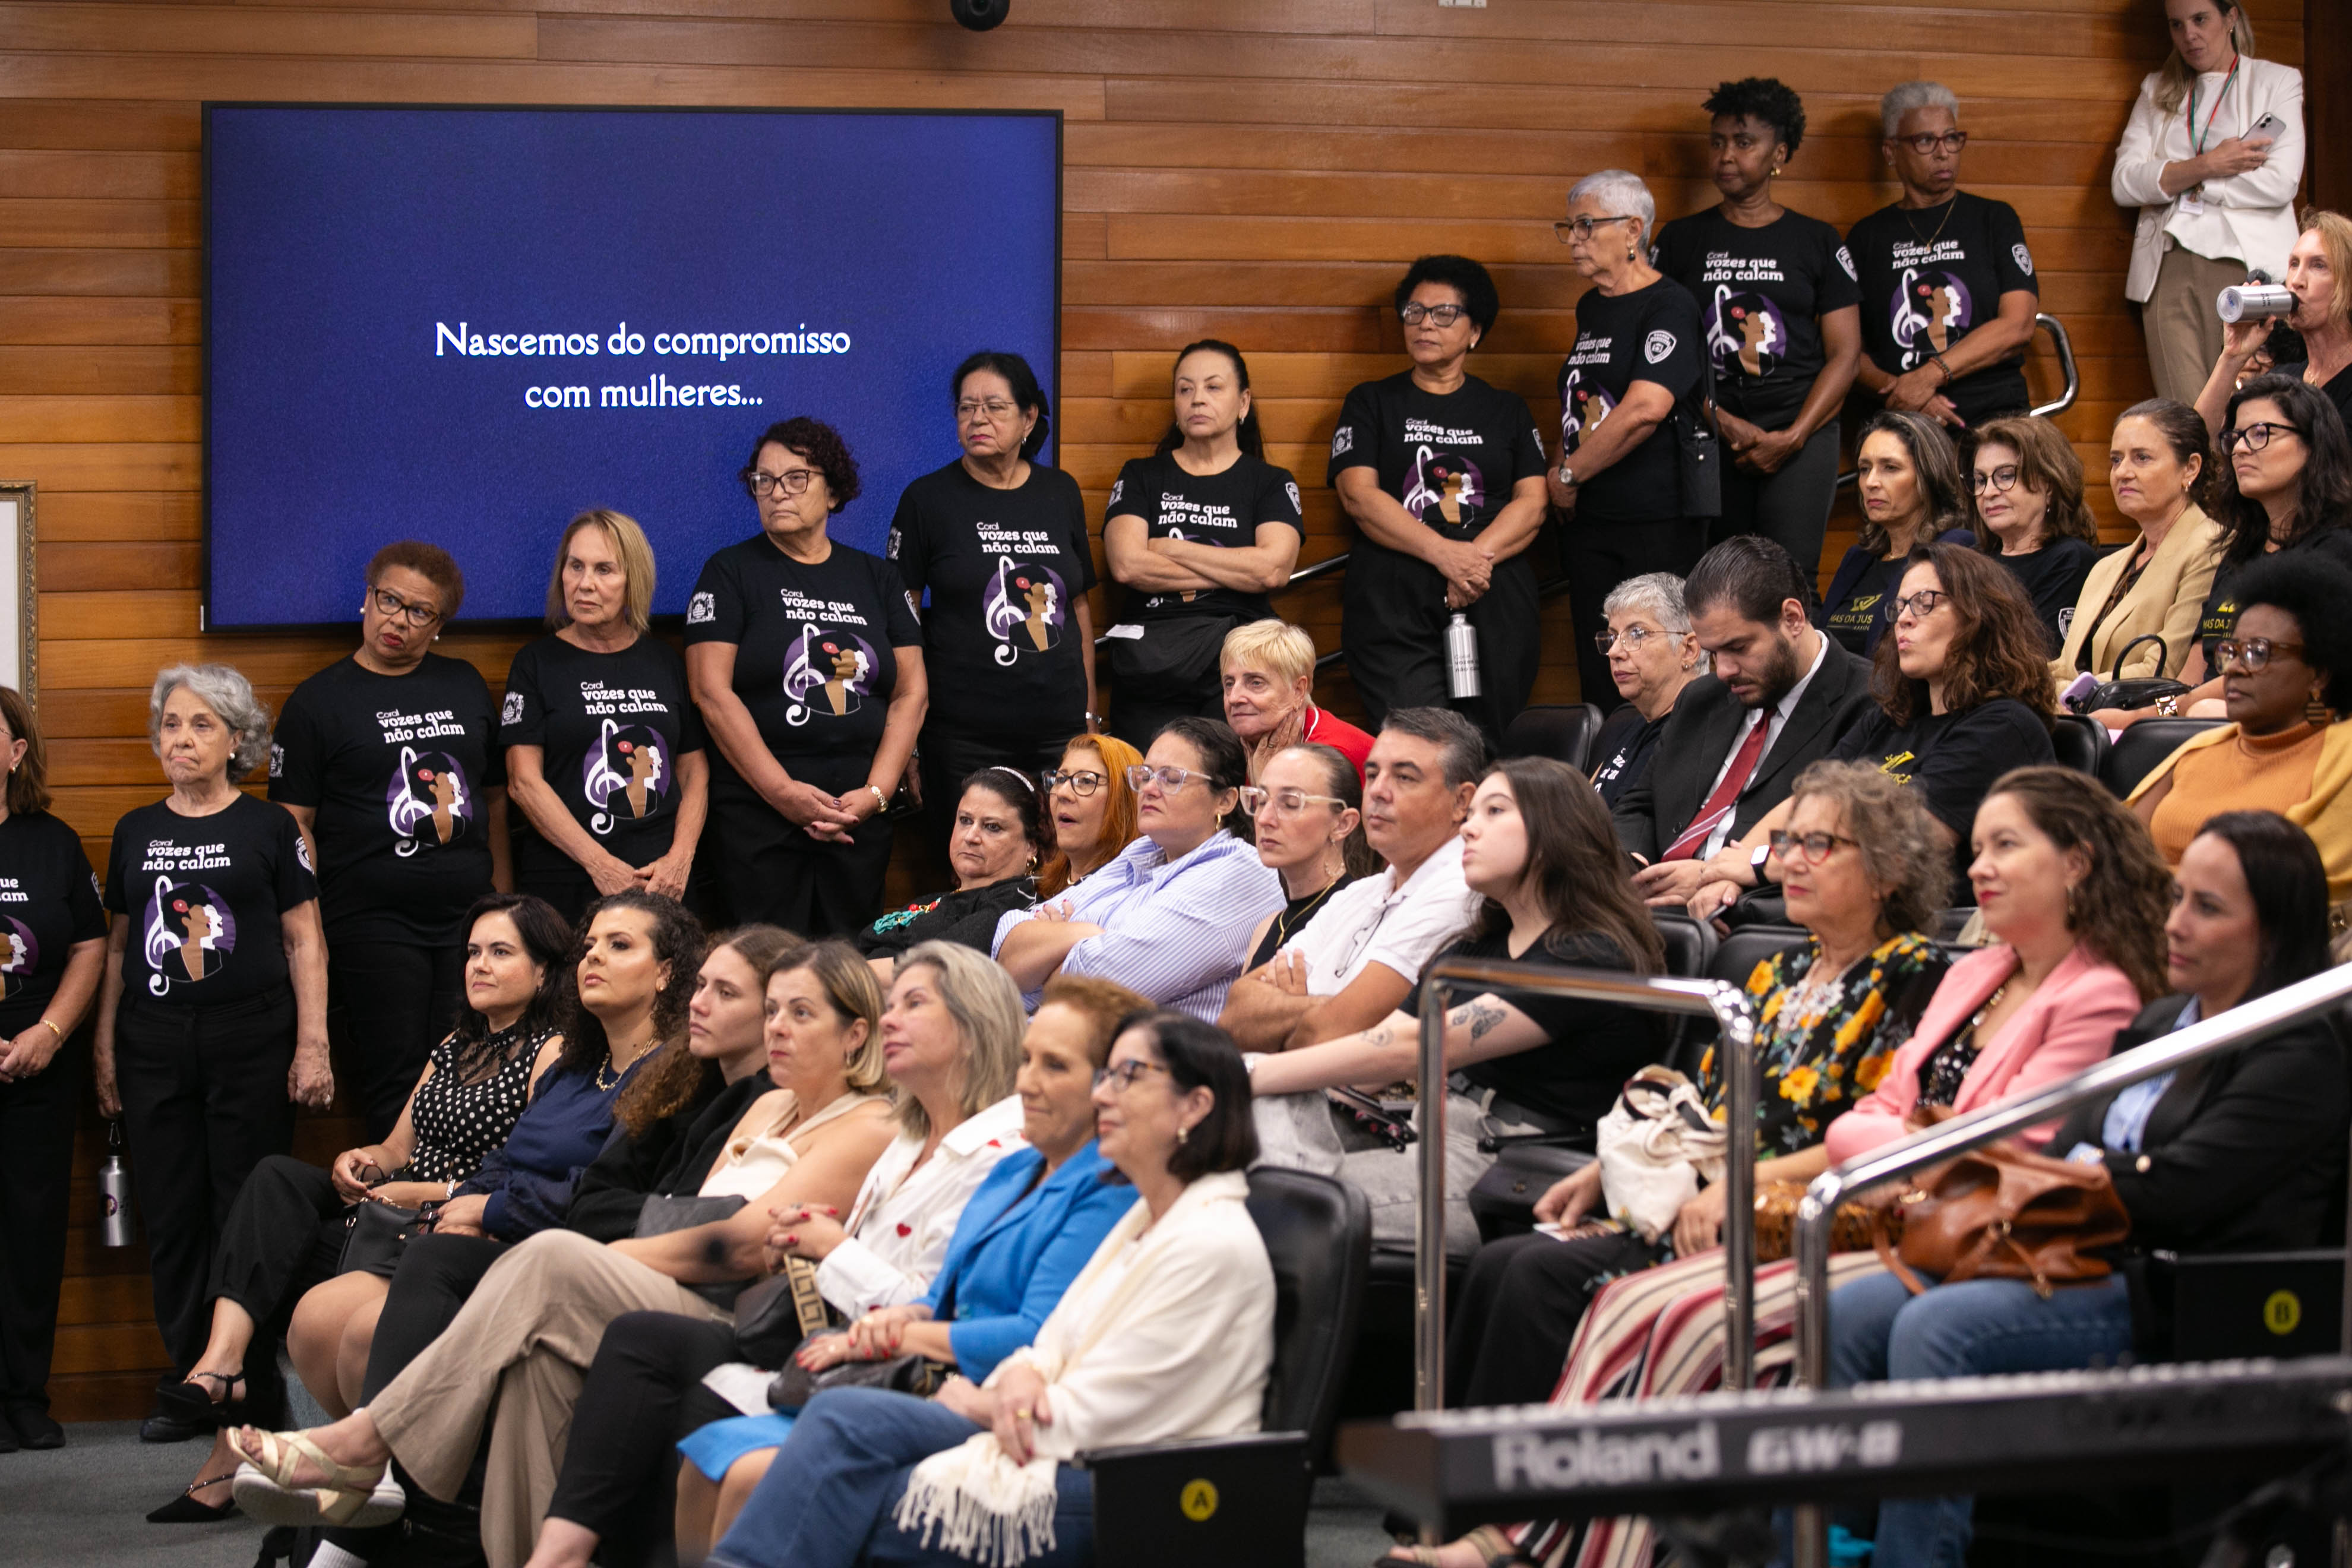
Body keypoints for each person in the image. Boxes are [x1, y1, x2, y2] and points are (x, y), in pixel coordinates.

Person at [1411, 766, 2174, 1568]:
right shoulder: (1962, 973)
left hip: (1896, 1226)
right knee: (1528, 1270)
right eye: (1788, 842)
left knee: (1636, 1306)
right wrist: (1628, 1169)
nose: (1980, 866)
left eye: (1819, 844)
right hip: (1821, 1201)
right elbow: (1864, 1120)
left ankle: (1559, 1546)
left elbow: (1993, 1147)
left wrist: (1853, 1151)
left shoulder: (2039, 986)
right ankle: (1487, 1525)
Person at [232, 938, 906, 1561]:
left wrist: (604, 1259)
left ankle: (367, 1443)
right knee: (537, 1364)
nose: (778, 1027)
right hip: (676, 1285)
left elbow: (738, 1244)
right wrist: (628, 1242)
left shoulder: (869, 1121)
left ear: (856, 1034)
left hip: (742, 1319)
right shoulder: (766, 1107)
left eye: (799, 1013)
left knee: (550, 1256)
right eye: (775, 1010)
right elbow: (681, 1215)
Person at [1826, 810, 2345, 1567]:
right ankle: (1826, 1550)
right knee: (1849, 1313)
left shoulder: (2301, 1049)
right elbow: (2077, 1149)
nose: (2175, 924)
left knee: (1938, 1330)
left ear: (2271, 932)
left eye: (2208, 908)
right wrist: (2095, 1171)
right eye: (2177, 897)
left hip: (2179, 1295)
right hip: (2072, 1253)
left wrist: (2088, 1173)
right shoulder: (2164, 1020)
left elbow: (2184, 1191)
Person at [1438, 761, 1950, 1417]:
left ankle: (1523, 1480)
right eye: (1786, 842)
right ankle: (1444, 1479)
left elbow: (1881, 1133)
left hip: (1788, 1215)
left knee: (1538, 1277)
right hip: (1694, 1196)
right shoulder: (1777, 969)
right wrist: (1605, 1169)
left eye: (1818, 845)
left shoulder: (1915, 975)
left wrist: (1739, 1187)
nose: (1790, 861)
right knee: (1501, 1264)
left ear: (1889, 869)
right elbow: (1698, 1105)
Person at [693, 1010, 1273, 1568]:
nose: (1104, 1095)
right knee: (838, 1422)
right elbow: (1047, 1346)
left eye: (1129, 1076)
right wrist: (1018, 1374)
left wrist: (983, 1401)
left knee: (845, 1491)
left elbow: (1107, 1415)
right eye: (1106, 1075)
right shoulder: (1149, 1216)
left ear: (1195, 1105)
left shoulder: (1209, 1245)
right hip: (1036, 1421)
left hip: (1135, 1486)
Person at [150, 894, 573, 1523]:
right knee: (274, 1183)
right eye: (473, 953)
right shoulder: (456, 1044)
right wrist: (363, 1161)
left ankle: (312, 1451)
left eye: (500, 952)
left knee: (277, 1268)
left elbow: (523, 1172)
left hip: (451, 1221)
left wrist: (420, 1192)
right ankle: (223, 1362)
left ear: (543, 971)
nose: (479, 965)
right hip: (390, 1210)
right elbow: (396, 1149)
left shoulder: (552, 1050)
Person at [289, 894, 700, 1428]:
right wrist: (466, 1203)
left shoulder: (667, 1074)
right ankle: (374, 1470)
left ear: (666, 973)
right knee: (315, 1319)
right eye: (589, 946)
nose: (594, 957)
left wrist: (489, 1210)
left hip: (563, 1250)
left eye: (619, 945)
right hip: (495, 1232)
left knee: (367, 1332)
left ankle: (374, 1458)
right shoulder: (576, 1067)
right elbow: (508, 1157)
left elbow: (602, 1193)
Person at [1251, 757, 1665, 1252]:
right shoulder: (1476, 944)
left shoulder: (1589, 955)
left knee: (1267, 1201)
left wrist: (1249, 1075)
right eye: (1471, 815)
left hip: (1511, 1169)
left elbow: (1413, 1045)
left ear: (1555, 831)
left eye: (1495, 812)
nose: (1469, 828)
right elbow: (1375, 1059)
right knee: (1253, 1132)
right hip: (1422, 1131)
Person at [92, 664, 329, 1439]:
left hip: (251, 1038)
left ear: (238, 740)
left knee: (244, 1209)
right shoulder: (134, 830)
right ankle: (187, 1380)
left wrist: (313, 1045)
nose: (182, 739)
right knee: (171, 1212)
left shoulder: (270, 828)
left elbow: (304, 939)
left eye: (201, 725)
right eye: (171, 724)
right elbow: (118, 947)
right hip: (152, 1042)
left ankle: (248, 1382)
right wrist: (103, 1047)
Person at [271, 540, 507, 1140]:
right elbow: (293, 823)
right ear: (367, 598)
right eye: (389, 601)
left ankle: (459, 1197)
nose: (398, 620)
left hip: (468, 919)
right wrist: (312, 924)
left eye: (419, 611)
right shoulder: (317, 702)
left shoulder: (464, 684)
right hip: (371, 923)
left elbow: (495, 800)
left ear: (440, 624)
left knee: (476, 1073)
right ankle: (393, 1200)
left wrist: (504, 906)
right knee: (397, 1077)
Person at [1693, 542, 2058, 913]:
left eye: (1925, 602)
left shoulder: (2002, 727)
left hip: (1931, 927)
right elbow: (1804, 805)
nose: (1904, 619)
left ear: (1980, 614)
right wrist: (1727, 876)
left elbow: (1900, 847)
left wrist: (1760, 864)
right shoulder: (1891, 717)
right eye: (1900, 606)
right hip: (1846, 905)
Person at [686, 416, 927, 937]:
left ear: (833, 491)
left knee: (850, 964)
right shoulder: (729, 573)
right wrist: (783, 794)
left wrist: (877, 794)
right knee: (764, 964)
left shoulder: (879, 579)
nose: (777, 492)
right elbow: (710, 692)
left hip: (857, 817)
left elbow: (912, 693)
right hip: (759, 817)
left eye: (796, 478)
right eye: (764, 481)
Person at [1330, 254, 1550, 739]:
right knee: (1417, 740)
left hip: (1493, 589)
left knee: (1490, 744)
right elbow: (1359, 496)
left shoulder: (1507, 409)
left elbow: (1533, 504)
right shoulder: (1371, 402)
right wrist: (1446, 555)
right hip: (1395, 594)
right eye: (1414, 312)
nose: (1425, 324)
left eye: (1444, 313)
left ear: (1475, 332)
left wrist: (1473, 561)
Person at [887, 352, 1097, 856]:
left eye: (994, 407)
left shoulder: (1060, 491)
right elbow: (900, 619)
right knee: (975, 868)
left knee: (1060, 866)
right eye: (967, 408)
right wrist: (908, 739)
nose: (977, 419)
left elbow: (1079, 610)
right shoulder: (927, 500)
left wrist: (1090, 715)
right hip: (963, 736)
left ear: (1028, 418)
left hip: (1059, 730)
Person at [1654, 77, 1862, 574]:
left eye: (1744, 142)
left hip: (1801, 427)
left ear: (1779, 155)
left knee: (1792, 577)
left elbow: (1846, 355)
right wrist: (1722, 422)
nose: (1726, 156)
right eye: (1718, 142)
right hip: (1710, 429)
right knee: (1715, 582)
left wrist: (1793, 437)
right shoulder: (1681, 240)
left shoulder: (1817, 240)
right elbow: (1663, 353)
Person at [1613, 536, 1876, 909]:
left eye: (1737, 648)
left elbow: (1844, 843)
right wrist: (1635, 865)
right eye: (1713, 653)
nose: (1723, 671)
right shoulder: (1701, 698)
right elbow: (1640, 804)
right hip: (1652, 908)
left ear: (1792, 619)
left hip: (1755, 912)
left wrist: (1716, 873)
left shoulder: (1868, 703)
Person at [1221, 708, 1482, 1054]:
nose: (1378, 791)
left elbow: (1324, 1036)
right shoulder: (1360, 893)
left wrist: (1292, 1015)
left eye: (1404, 777)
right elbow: (1234, 1018)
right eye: (1372, 774)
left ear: (1462, 802)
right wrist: (1328, 1007)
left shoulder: (1459, 892)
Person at [2098, 376, 2352, 728]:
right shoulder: (2239, 552)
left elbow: (2269, 675)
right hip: (2205, 720)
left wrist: (2143, 717)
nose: (2242, 449)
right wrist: (2161, 713)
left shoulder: (2335, 550)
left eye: (2261, 434)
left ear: (2313, 443)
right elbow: (2193, 677)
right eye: (2236, 437)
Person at [995, 717, 1283, 1020]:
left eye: (1171, 778)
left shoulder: (1238, 873)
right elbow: (1005, 945)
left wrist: (1045, 955)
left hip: (1150, 1049)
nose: (1149, 789)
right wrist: (1083, 934)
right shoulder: (1145, 851)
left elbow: (1095, 988)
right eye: (1145, 776)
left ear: (1225, 800)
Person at [502, 510, 708, 925]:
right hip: (568, 877)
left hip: (663, 879)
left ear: (634, 580)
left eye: (604, 570)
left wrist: (680, 858)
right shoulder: (536, 663)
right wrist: (599, 863)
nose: (585, 584)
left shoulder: (664, 661)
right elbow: (524, 782)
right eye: (575, 566)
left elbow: (693, 771)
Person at [1551, 170, 1708, 708]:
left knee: (1656, 658)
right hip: (1592, 517)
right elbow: (1581, 397)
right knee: (1601, 661)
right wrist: (1564, 467)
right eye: (1570, 228)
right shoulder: (1592, 307)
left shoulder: (1669, 305)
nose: (1574, 240)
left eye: (1586, 226)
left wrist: (1568, 474)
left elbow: (1646, 408)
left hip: (1654, 518)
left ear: (1633, 230)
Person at [0, 687, 106, 1453]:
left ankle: (24, 1399)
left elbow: (89, 945)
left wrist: (50, 1031)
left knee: (31, 1237)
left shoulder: (54, 843)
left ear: (16, 753)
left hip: (38, 1069)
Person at [1104, 340, 1304, 746]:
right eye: (1185, 389)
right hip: (1151, 662)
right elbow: (1127, 565)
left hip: (1238, 662)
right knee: (1148, 779)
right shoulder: (1141, 475)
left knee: (1228, 776)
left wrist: (1169, 548)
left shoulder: (1270, 482)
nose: (1197, 399)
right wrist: (1237, 570)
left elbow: (1272, 570)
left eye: (1213, 387)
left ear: (1243, 403)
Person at [2130, 553, 2352, 909]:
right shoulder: (2201, 748)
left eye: (2258, 653)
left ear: (2319, 674)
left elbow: (2296, 898)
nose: (2232, 669)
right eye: (2230, 652)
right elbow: (2114, 851)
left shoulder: (2344, 756)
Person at [2113, 0, 2304, 405]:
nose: (2189, 35)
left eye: (2200, 20)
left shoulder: (2277, 82)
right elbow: (2125, 183)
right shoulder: (2156, 88)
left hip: (2249, 265)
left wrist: (2191, 184)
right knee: (2186, 411)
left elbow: (2280, 183)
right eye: (2177, 25)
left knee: (2254, 404)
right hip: (2168, 264)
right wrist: (2209, 165)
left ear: (2231, 17)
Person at [1847, 82, 2041, 431]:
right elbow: (1847, 351)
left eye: (1951, 138)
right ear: (1891, 151)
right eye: (1925, 141)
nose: (1943, 153)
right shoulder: (1866, 237)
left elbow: (2019, 325)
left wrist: (1930, 376)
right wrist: (1907, 394)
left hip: (1996, 416)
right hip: (1904, 421)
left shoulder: (1995, 219)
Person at [2056, 399, 2225, 682]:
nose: (2122, 472)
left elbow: (2163, 673)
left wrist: (2065, 694)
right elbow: (2066, 666)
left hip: (2151, 708)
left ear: (2190, 468)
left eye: (2142, 458)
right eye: (2116, 460)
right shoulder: (2105, 567)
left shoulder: (2211, 547)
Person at [857, 768, 1042, 975]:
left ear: (1031, 847)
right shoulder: (936, 899)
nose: (971, 837)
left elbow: (932, 967)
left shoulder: (1015, 901)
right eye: (965, 820)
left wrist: (843, 977)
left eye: (992, 827)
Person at [1818, 412, 1974, 655]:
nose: (1871, 482)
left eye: (1890, 468)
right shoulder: (1858, 558)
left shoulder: (1954, 550)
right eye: (1864, 469)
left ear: (1928, 476)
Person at [2195, 209, 2352, 432]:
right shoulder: (2281, 380)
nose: (2296, 281)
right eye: (2294, 264)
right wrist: (2232, 357)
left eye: (2318, 266)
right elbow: (2198, 443)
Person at [1227, 743, 1374, 979]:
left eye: (1290, 803)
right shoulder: (1267, 927)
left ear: (1342, 824)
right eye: (1261, 801)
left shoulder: (1358, 919)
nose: (1264, 819)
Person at [1969, 415, 2104, 653]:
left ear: (2049, 484)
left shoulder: (2070, 559)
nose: (1988, 492)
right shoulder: (1971, 560)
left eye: (2006, 476)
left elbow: (2039, 656)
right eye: (1980, 480)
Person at [1588, 573, 1706, 807]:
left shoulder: (1698, 730)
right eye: (1613, 636)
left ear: (1689, 650)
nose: (1614, 652)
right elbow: (1577, 810)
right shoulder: (1630, 724)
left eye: (1637, 634)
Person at [1219, 618, 1374, 782]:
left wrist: (1265, 783)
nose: (1234, 698)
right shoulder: (1235, 749)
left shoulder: (1333, 758)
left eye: (1256, 683)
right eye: (1229, 684)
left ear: (1298, 690)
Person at [1034, 732, 1142, 899]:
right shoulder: (1027, 889)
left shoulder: (1136, 900)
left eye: (1085, 781)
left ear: (1125, 801)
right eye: (1060, 780)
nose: (1062, 793)